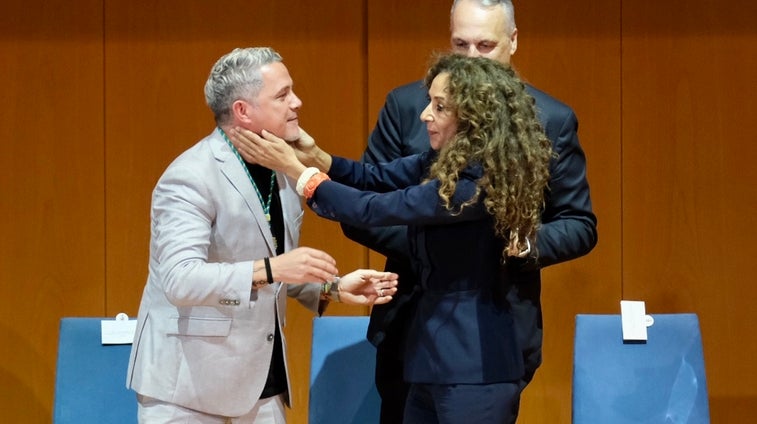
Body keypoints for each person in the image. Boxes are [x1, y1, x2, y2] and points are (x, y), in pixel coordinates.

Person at [231, 53, 558, 423]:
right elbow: (374, 178)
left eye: (439, 106)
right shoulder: (442, 162)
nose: (424, 115)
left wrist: (295, 170)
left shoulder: (477, 182)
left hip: (475, 369)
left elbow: (372, 209)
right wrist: (316, 157)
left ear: (472, 117)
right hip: (431, 362)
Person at [343, 0, 598, 422]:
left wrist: (519, 243)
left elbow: (579, 223)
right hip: (408, 323)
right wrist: (443, 245)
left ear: (513, 42)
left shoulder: (550, 118)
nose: (472, 59)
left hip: (495, 330)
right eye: (461, 45)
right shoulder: (408, 107)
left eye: (485, 45)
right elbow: (361, 207)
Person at [125, 47, 398, 423]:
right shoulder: (190, 176)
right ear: (243, 111)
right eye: (283, 95)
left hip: (261, 384)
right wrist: (273, 268)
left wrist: (331, 287)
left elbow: (275, 271)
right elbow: (180, 279)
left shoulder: (283, 169)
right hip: (187, 391)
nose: (297, 103)